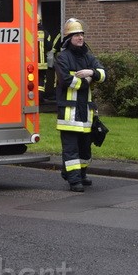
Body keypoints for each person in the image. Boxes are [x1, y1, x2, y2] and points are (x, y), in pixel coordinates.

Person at [55, 18, 105, 192]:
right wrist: (88, 81)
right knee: (71, 149)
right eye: (76, 34)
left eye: (82, 34)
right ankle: (74, 181)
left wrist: (91, 72)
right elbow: (67, 81)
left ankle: (80, 175)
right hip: (69, 114)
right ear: (69, 38)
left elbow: (103, 73)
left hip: (86, 113)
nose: (80, 37)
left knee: (85, 149)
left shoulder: (88, 56)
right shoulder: (62, 57)